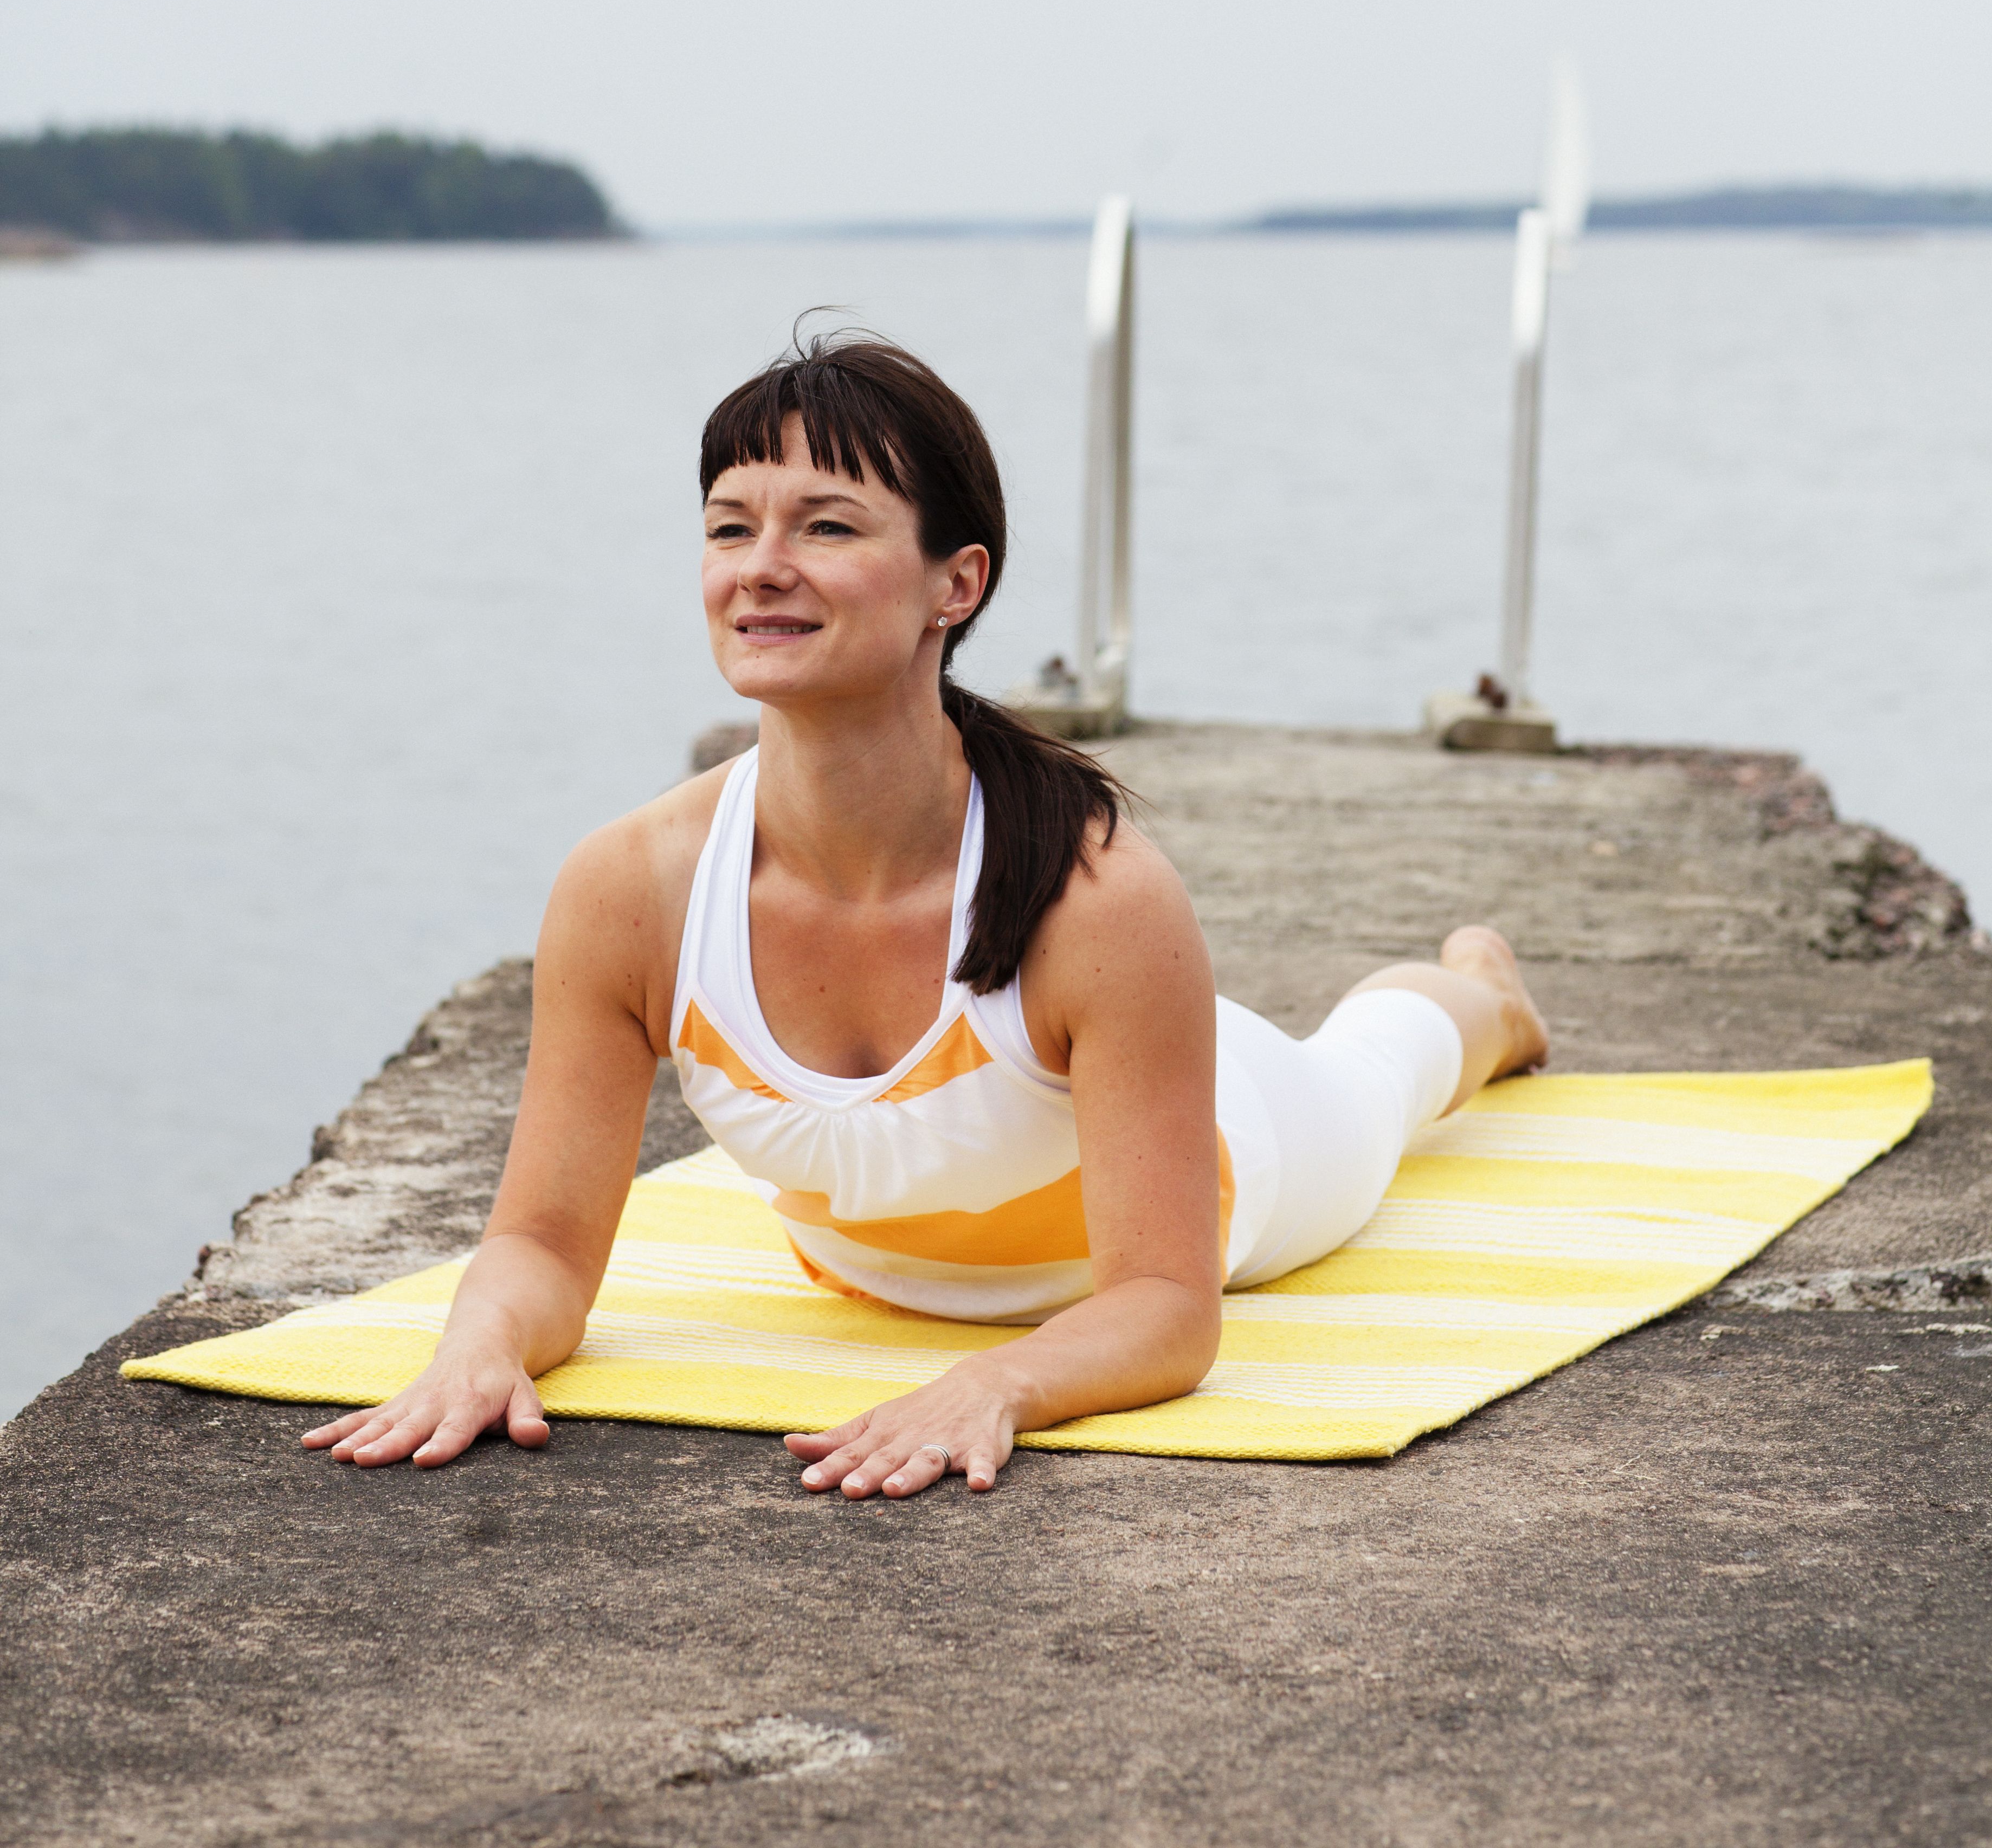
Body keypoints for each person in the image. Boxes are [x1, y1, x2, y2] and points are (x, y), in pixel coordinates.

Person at [306, 331, 1548, 1498]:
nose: (761, 567)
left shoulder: (1101, 901)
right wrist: (478, 1343)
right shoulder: (631, 890)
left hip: (1244, 1150)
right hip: (897, 1242)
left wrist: (993, 1385)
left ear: (957, 584)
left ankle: (1485, 996)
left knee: (1382, 1069)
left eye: (827, 525)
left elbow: (1168, 1309)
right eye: (729, 528)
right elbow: (543, 1246)